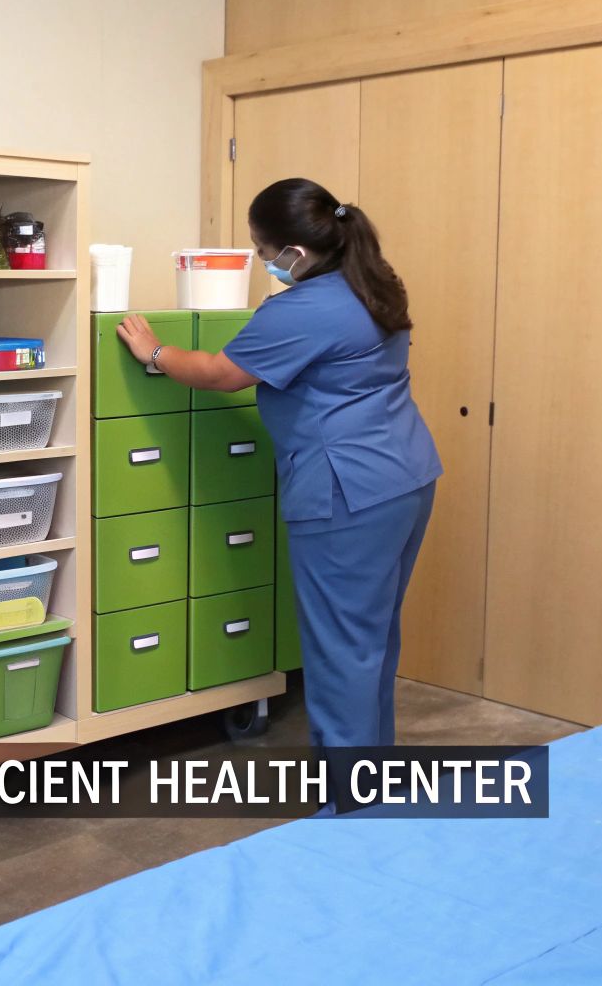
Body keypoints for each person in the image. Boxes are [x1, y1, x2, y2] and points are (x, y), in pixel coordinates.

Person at [116, 178, 441, 751]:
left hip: (346, 493)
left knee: (340, 647)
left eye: (264, 253)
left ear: (296, 251)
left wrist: (156, 353)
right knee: (371, 638)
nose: (267, 264)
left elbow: (221, 373)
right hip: (405, 478)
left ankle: (349, 799)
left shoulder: (305, 309)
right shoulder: (372, 284)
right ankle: (373, 777)